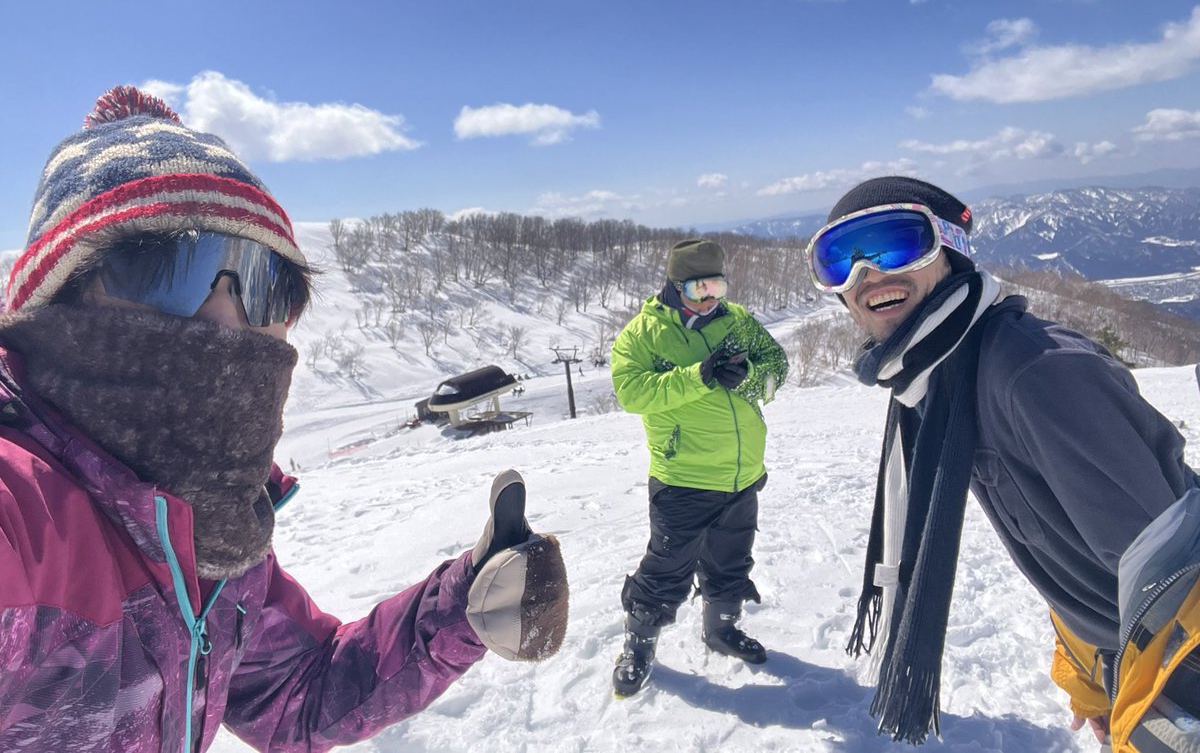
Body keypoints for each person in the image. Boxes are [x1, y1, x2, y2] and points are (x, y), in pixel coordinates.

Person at [0, 87, 568, 751]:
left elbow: (298, 693)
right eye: (163, 269)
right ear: (59, 295)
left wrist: (462, 608)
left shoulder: (215, 536)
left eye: (264, 284)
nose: (226, 320)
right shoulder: (25, 515)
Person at [807, 175, 1199, 750]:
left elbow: (1173, 563)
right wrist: (1096, 676)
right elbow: (1073, 554)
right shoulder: (949, 378)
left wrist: (1156, 715)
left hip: (1176, 676)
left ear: (951, 251)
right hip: (1129, 662)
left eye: (897, 243)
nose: (867, 274)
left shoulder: (1033, 373)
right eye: (838, 260)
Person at [609, 238, 789, 696]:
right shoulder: (643, 335)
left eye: (717, 287)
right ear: (675, 286)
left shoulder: (738, 322)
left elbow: (777, 365)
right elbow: (633, 393)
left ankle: (721, 629)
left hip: (742, 474)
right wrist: (698, 377)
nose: (710, 299)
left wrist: (750, 378)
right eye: (698, 289)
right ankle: (638, 647)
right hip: (683, 478)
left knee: (731, 560)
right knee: (666, 569)